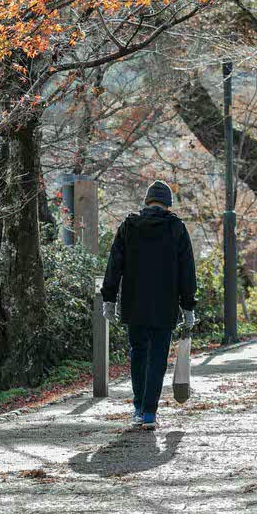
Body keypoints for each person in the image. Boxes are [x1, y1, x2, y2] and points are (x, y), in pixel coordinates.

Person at [100, 180, 196, 429]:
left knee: (138, 353)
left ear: (147, 202)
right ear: (167, 204)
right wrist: (188, 306)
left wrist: (109, 298)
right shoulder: (176, 228)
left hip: (135, 303)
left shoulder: (129, 226)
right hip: (165, 304)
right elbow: (187, 270)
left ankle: (138, 408)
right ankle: (150, 413)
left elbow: (114, 265)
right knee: (158, 357)